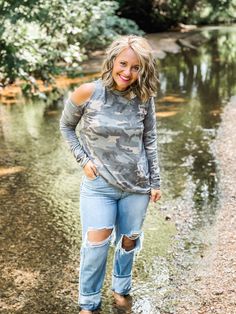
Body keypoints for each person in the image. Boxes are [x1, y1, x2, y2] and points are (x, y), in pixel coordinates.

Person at [59, 35, 161, 314]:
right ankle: (89, 303)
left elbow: (149, 139)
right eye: (123, 64)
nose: (128, 72)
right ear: (112, 60)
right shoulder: (87, 92)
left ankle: (121, 288)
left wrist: (155, 182)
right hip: (99, 186)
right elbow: (66, 127)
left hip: (137, 186)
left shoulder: (144, 97)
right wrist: (83, 160)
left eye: (136, 67)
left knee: (129, 240)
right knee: (96, 245)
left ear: (143, 70)